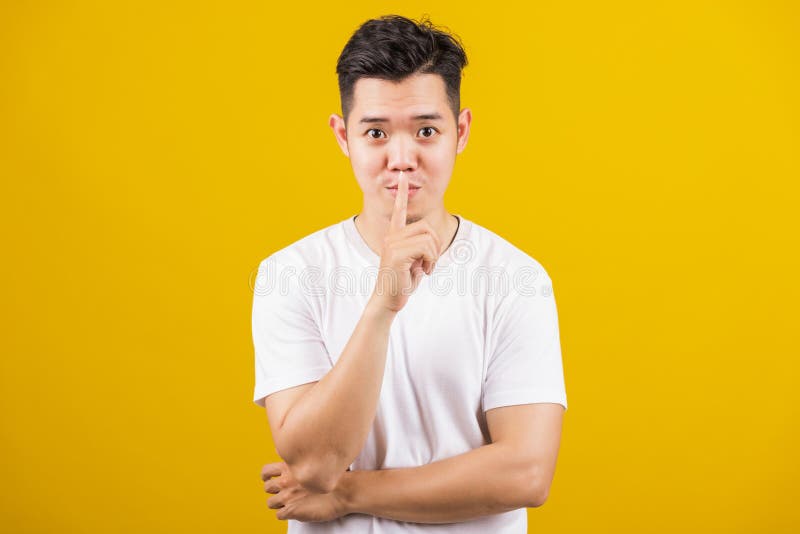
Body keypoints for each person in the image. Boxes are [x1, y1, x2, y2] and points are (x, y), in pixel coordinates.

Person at [252, 14, 568, 533]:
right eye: (375, 133)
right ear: (343, 136)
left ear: (460, 131)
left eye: (426, 130)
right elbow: (312, 465)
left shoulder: (517, 277)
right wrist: (382, 306)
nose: (402, 158)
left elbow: (525, 473)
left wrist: (346, 495)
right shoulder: (290, 274)